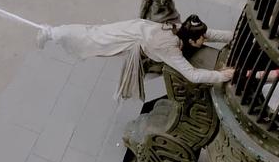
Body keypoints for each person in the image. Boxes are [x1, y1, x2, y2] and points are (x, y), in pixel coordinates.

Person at [37, 14, 235, 100]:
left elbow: (212, 34)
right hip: (131, 37)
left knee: (96, 33)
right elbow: (192, 74)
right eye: (201, 38)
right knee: (95, 36)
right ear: (191, 40)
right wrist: (222, 75)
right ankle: (52, 33)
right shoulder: (170, 49)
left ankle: (54, 33)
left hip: (141, 30)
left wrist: (237, 36)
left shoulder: (184, 31)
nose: (204, 39)